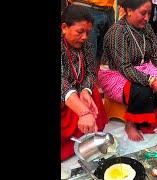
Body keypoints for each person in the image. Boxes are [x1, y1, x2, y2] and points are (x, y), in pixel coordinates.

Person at [98, 0, 157, 141]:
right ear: (128, 11)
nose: (147, 18)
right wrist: (150, 80)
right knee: (143, 90)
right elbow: (124, 67)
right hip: (115, 73)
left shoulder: (146, 27)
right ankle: (131, 124)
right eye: (143, 13)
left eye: (149, 13)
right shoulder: (117, 32)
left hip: (142, 67)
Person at [61, 5, 108, 161]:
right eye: (80, 32)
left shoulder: (86, 44)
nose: (84, 37)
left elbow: (89, 72)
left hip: (79, 90)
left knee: (93, 91)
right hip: (64, 97)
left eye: (88, 32)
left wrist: (85, 91)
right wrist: (83, 111)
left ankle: (89, 134)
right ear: (64, 27)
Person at [68, 0, 115, 69]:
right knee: (86, 57)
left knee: (100, 57)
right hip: (85, 6)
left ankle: (92, 78)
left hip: (108, 9)